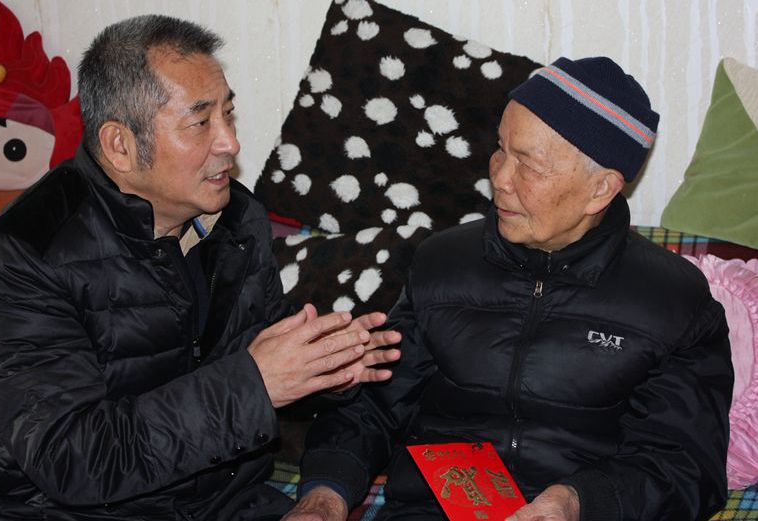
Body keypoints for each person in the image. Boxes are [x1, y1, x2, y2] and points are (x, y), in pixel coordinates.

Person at [0, 13, 401, 521]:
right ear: (120, 145)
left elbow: (259, 385)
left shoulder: (237, 220)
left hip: (226, 503)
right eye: (200, 122)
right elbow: (73, 459)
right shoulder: (19, 262)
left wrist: (321, 373)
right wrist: (253, 384)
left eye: (229, 114)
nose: (230, 142)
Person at [286, 57, 733, 521]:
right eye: (500, 149)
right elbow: (372, 409)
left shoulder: (674, 302)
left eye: (528, 165)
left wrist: (576, 501)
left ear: (601, 189)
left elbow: (685, 467)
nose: (498, 178)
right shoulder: (441, 264)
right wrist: (323, 498)